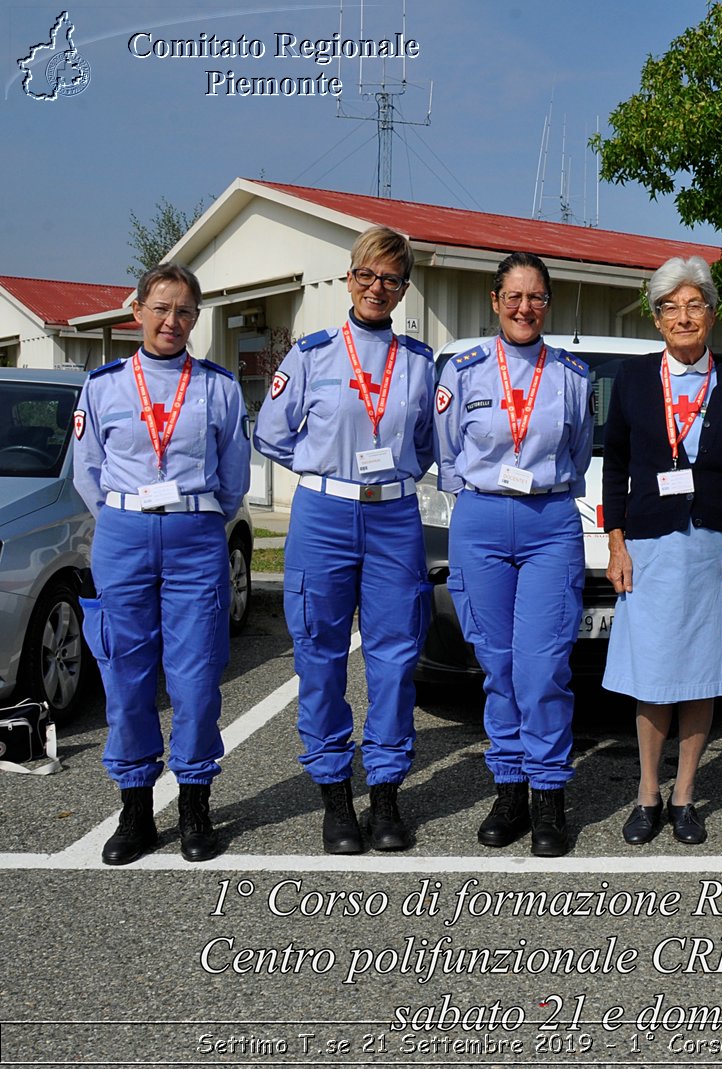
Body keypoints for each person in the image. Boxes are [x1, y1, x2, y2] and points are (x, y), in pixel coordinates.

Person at [254, 226, 436, 855]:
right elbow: (272, 434)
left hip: (392, 517)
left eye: (390, 278)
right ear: (348, 279)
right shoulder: (310, 355)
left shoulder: (419, 363)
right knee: (320, 657)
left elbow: (426, 446)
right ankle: (335, 794)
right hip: (324, 515)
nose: (376, 288)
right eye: (366, 275)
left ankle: (385, 793)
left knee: (393, 660)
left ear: (403, 287)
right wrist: (322, 464)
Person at [72, 262, 250, 865]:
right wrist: (127, 517)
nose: (171, 321)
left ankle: (195, 803)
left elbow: (233, 477)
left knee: (197, 675)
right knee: (126, 674)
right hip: (123, 536)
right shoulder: (103, 386)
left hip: (195, 534)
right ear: (138, 312)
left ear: (195, 319)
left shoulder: (218, 387)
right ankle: (136, 809)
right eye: (161, 308)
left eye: (184, 311)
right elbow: (87, 473)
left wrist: (195, 517)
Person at [601, 256, 722, 847]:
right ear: (655, 319)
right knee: (653, 674)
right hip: (650, 546)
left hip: (716, 546)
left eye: (695, 304)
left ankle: (685, 795)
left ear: (713, 314)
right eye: (670, 306)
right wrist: (615, 543)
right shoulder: (636, 379)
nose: (684, 316)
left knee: (702, 675)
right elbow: (615, 463)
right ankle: (647, 792)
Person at [434, 252, 593, 857]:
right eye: (514, 297)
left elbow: (576, 453)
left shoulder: (571, 375)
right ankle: (510, 788)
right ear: (495, 301)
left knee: (542, 666)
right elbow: (448, 451)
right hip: (481, 519)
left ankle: (549, 791)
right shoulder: (465, 370)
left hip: (549, 522)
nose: (525, 308)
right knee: (497, 665)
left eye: (537, 297)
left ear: (547, 304)